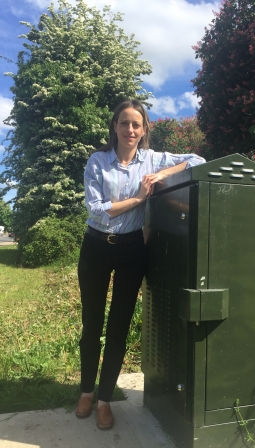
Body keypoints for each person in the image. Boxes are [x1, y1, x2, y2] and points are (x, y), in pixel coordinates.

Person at [75, 99, 205, 430]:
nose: (130, 129)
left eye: (136, 124)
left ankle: (105, 400)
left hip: (132, 250)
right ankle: (86, 392)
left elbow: (196, 159)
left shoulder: (152, 159)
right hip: (96, 248)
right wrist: (139, 198)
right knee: (92, 325)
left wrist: (160, 175)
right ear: (114, 127)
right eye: (124, 123)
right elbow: (96, 208)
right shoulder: (98, 161)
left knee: (118, 327)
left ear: (144, 130)